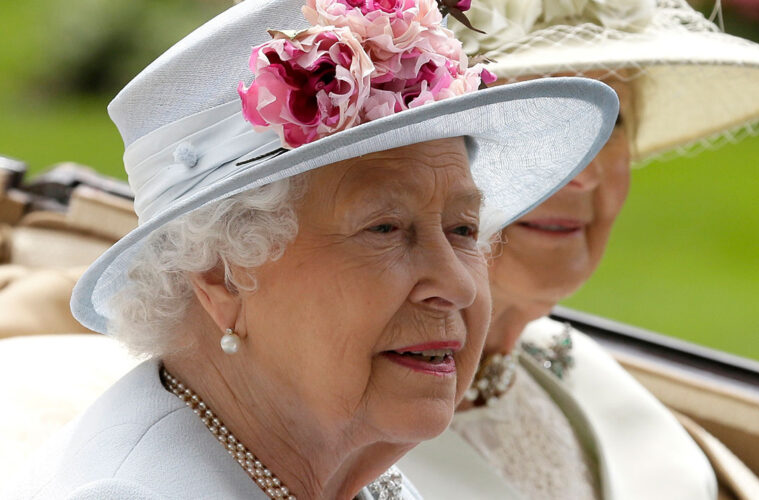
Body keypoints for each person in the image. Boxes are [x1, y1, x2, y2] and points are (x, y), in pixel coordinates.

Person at [1, 0, 619, 498]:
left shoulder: (330, 475)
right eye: (384, 228)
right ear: (220, 273)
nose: (455, 284)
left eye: (462, 230)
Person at [399, 0, 759, 499]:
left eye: (610, 119)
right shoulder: (332, 447)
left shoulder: (580, 371)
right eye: (532, 116)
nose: (584, 172)